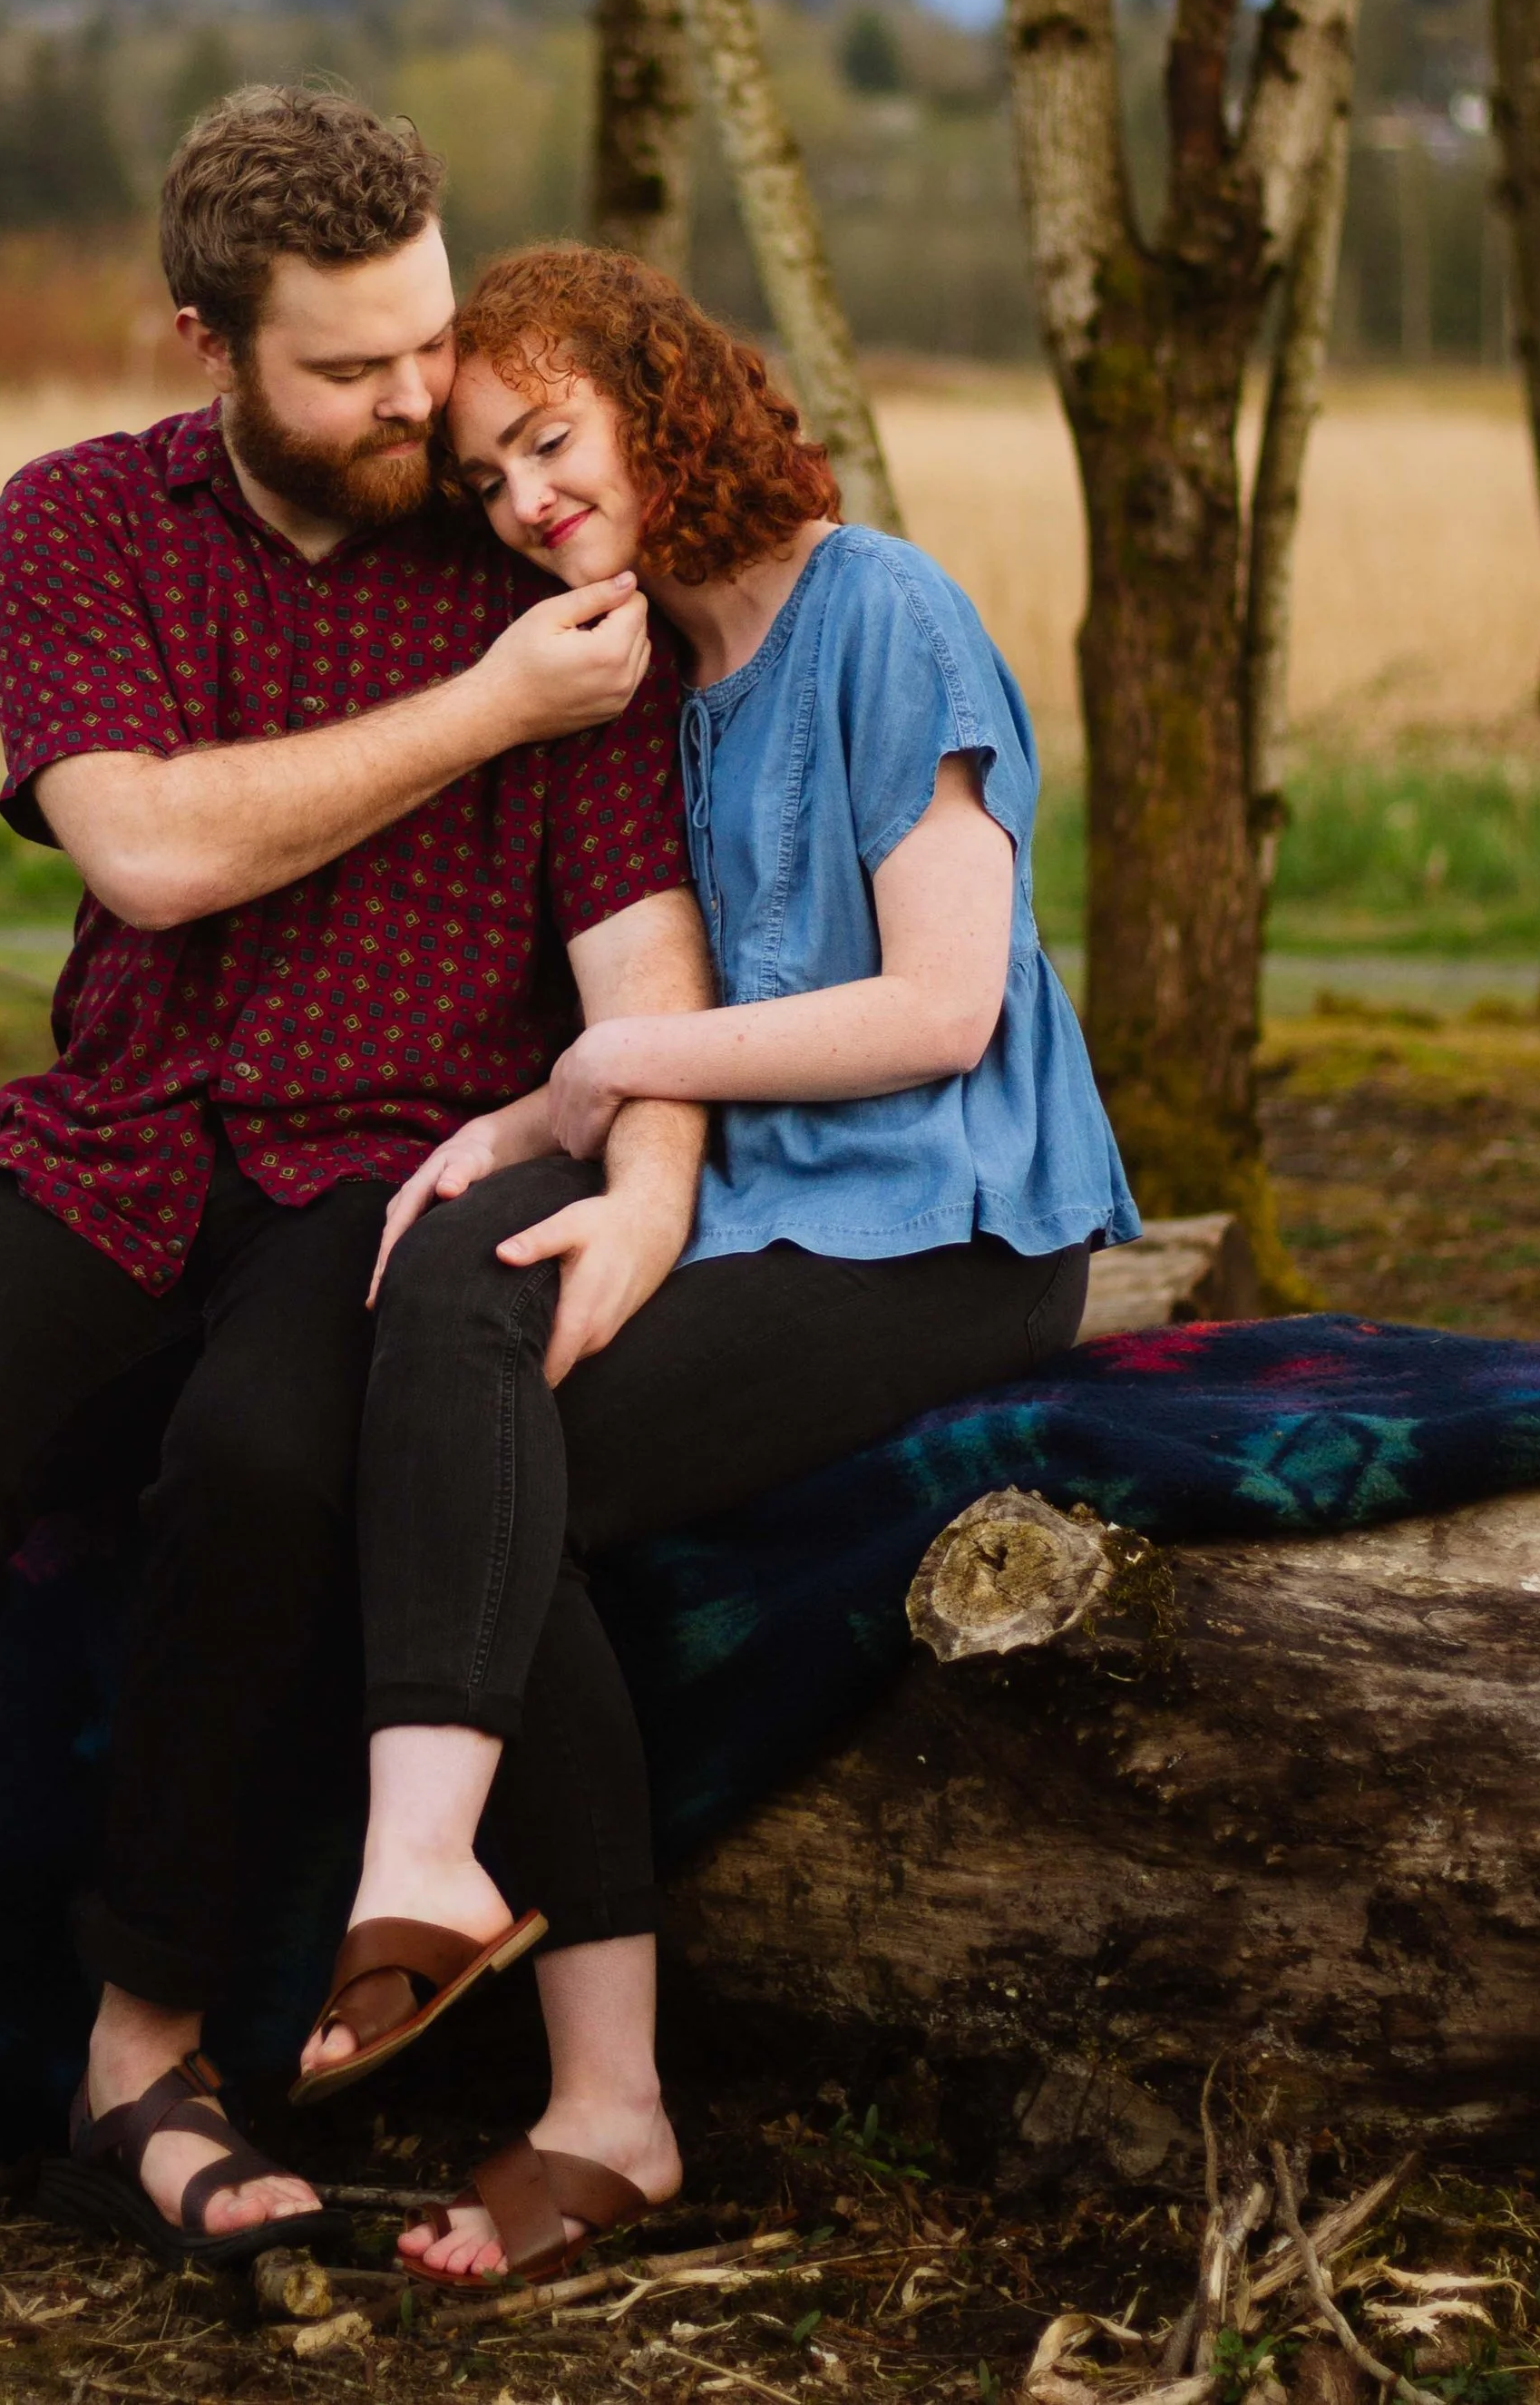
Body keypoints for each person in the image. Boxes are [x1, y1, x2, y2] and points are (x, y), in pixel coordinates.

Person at [0, 101, 710, 2305]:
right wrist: (473, 712)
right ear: (206, 339)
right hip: (121, 1126)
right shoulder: (80, 520)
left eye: (426, 339)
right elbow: (146, 852)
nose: (420, 400)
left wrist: (643, 1172)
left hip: (384, 1165)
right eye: (350, 369)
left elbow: (639, 960)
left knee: (267, 1461)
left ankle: (148, 2056)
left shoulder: (530, 547)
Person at [286, 242, 1139, 2288]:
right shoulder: (642, 677)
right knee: (451, 1303)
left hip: (942, 1226)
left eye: (550, 442)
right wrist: (508, 1132)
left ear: (660, 399)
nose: (525, 503)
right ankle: (444, 1898)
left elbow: (937, 1009)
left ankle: (599, 2094)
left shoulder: (882, 612)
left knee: (522, 1487)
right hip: (756, 1200)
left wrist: (611, 1064)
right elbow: (635, 1027)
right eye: (488, 479)